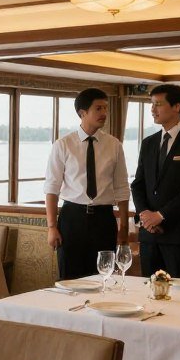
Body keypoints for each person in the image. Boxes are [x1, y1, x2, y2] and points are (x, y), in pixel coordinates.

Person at [43, 88, 130, 279]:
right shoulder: (63, 145)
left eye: (106, 108)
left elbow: (122, 188)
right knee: (70, 278)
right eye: (98, 109)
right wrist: (52, 227)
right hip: (72, 218)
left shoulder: (114, 145)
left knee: (103, 277)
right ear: (83, 113)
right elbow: (51, 188)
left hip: (104, 219)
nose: (104, 113)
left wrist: (123, 228)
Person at [131, 84, 180, 277]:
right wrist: (145, 216)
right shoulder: (148, 143)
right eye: (152, 104)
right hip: (149, 236)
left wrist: (160, 215)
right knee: (150, 295)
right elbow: (138, 184)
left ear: (176, 107)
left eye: (158, 104)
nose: (153, 110)